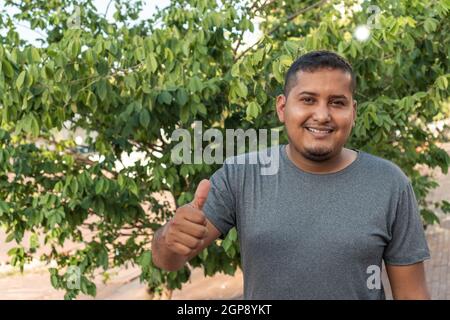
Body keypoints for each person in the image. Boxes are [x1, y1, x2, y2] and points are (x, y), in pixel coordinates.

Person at [151, 50, 431, 299]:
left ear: (353, 112)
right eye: (308, 100)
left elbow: (412, 293)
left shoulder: (389, 183)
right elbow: (168, 260)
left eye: (337, 102)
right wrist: (169, 238)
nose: (322, 115)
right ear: (282, 108)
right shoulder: (242, 175)